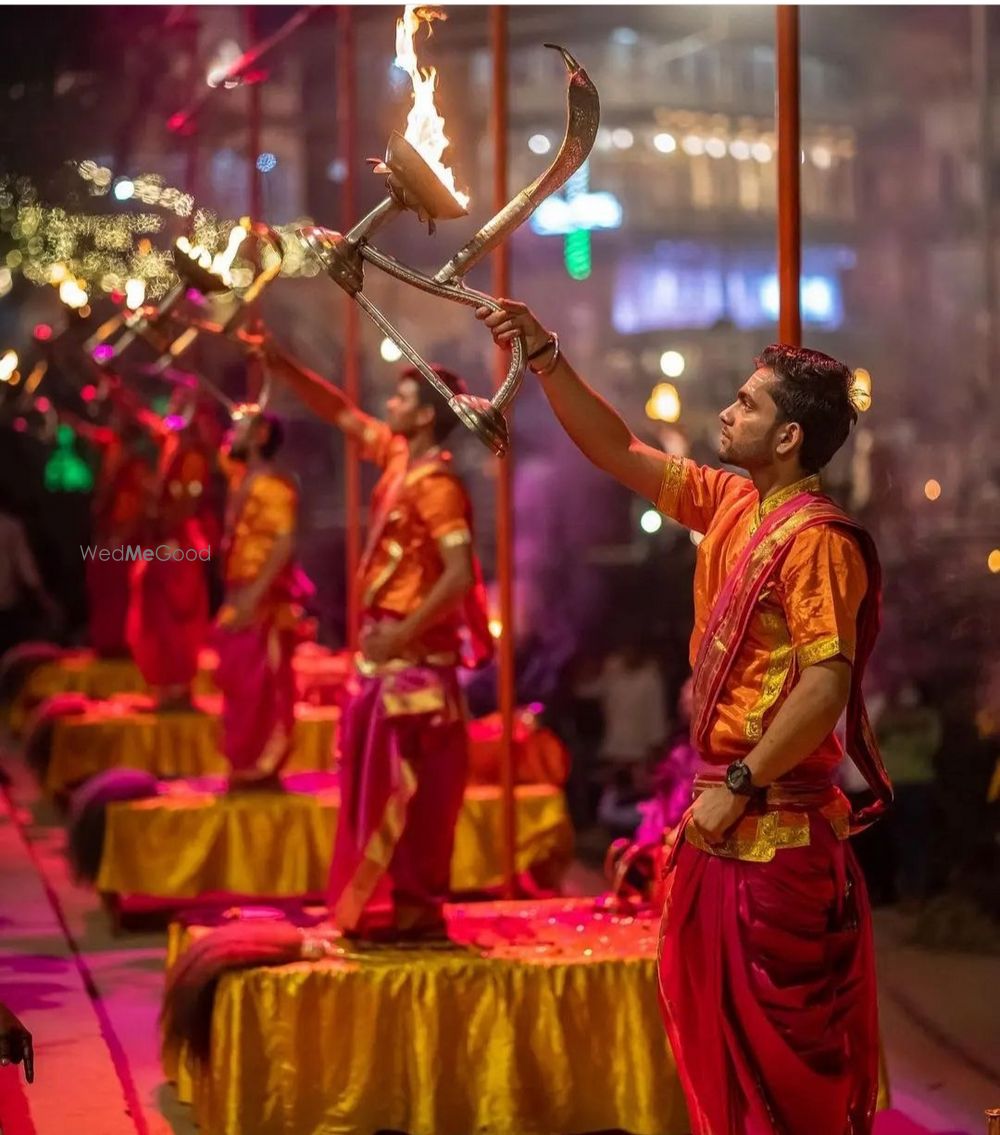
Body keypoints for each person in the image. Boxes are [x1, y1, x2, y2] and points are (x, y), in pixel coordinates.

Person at [478, 300, 892, 1135]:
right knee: (717, 1051)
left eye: (746, 403)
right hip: (722, 819)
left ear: (788, 439)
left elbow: (824, 687)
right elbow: (616, 449)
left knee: (784, 1066)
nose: (727, 411)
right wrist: (547, 355)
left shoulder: (819, 542)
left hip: (772, 831)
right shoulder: (732, 504)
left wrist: (739, 781)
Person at [264, 342, 491, 940]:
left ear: (424, 416)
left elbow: (460, 576)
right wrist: (284, 366)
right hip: (383, 663)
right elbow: (339, 412)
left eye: (401, 397)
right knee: (373, 796)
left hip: (414, 670)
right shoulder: (396, 460)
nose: (388, 403)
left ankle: (414, 915)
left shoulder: (436, 486)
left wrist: (401, 635)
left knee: (415, 804)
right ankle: (387, 912)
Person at [213, 407, 314, 791]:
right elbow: (212, 445)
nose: (232, 431)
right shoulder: (242, 478)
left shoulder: (274, 488)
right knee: (238, 690)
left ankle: (261, 767)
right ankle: (243, 766)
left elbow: (284, 544)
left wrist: (253, 598)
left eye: (241, 427)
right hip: (240, 597)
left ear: (260, 438)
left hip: (263, 603)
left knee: (263, 691)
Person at [125, 390, 220, 710]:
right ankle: (163, 689)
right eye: (174, 404)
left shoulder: (192, 457)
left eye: (182, 405)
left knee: (176, 617)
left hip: (178, 547)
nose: (174, 410)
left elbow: (186, 505)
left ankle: (178, 691)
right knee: (154, 617)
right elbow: (139, 411)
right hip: (162, 544)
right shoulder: (168, 442)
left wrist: (159, 517)